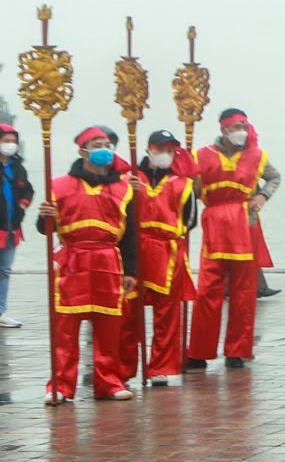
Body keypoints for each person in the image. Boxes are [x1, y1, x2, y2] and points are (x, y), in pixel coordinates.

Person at [38, 125, 139, 404]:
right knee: (66, 329)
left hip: (108, 259)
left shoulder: (123, 187)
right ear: (83, 150)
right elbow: (45, 229)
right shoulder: (59, 185)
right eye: (97, 144)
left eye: (107, 144)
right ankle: (60, 385)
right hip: (73, 260)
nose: (104, 149)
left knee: (109, 327)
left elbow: (130, 233)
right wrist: (44, 215)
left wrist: (131, 270)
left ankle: (109, 381)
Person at [187, 109, 278, 370]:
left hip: (244, 224)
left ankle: (237, 351)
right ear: (224, 129)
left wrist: (262, 197)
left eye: (244, 126)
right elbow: (190, 190)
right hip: (215, 224)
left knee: (243, 292)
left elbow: (274, 177)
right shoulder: (202, 155)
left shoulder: (257, 155)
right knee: (207, 291)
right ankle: (199, 352)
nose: (242, 131)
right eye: (236, 126)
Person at [124, 130, 197, 384]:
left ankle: (161, 367)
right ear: (149, 149)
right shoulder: (130, 178)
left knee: (167, 313)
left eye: (170, 150)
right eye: (160, 149)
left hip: (168, 250)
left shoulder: (184, 183)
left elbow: (190, 220)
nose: (165, 154)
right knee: (128, 311)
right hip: (135, 247)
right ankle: (123, 367)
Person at [1, 122, 37, 328]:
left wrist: (23, 204)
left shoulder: (18, 167)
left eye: (13, 141)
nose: (10, 145)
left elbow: (28, 190)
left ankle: (1, 311)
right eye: (6, 141)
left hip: (11, 228)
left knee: (5, 270)